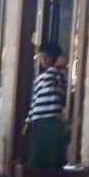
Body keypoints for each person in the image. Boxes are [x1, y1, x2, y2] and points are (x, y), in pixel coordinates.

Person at [23, 40, 68, 168]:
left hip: (49, 122)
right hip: (39, 122)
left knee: (46, 159)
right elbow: (34, 103)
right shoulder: (42, 78)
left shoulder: (57, 75)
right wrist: (28, 122)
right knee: (38, 159)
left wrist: (59, 64)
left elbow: (35, 102)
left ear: (48, 58)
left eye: (41, 57)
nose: (40, 60)